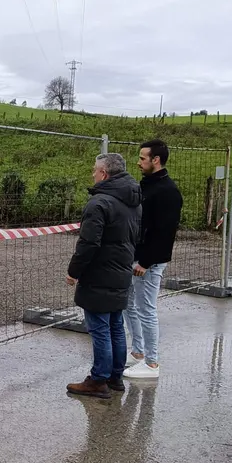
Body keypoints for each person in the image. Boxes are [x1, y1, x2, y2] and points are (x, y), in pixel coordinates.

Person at [65, 153, 142, 399]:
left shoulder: (98, 203)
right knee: (116, 326)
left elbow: (88, 243)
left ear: (104, 174)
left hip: (99, 274)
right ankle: (115, 376)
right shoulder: (134, 201)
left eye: (94, 170)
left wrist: (74, 271)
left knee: (99, 328)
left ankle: (98, 380)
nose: (93, 174)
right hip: (121, 272)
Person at [123, 139, 183, 380]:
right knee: (128, 303)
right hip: (135, 256)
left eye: (142, 158)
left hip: (148, 261)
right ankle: (138, 352)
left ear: (155, 160)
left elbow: (165, 233)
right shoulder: (146, 186)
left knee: (146, 309)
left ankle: (152, 363)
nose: (138, 162)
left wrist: (145, 262)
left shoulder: (168, 192)